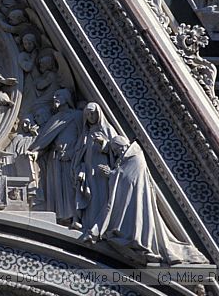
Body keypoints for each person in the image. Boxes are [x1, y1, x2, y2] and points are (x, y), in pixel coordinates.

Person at [101, 136, 204, 264]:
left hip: (137, 199)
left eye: (117, 150)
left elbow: (129, 177)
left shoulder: (135, 157)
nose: (117, 153)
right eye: (115, 151)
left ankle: (142, 245)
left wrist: (112, 174)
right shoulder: (126, 159)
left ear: (122, 146)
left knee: (139, 222)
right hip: (129, 201)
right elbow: (125, 175)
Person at [29, 88, 83, 225]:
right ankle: (60, 217)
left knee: (71, 188)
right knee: (57, 189)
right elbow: (44, 140)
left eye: (58, 95)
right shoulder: (54, 119)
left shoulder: (77, 116)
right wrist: (36, 151)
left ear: (66, 98)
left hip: (70, 158)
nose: (55, 98)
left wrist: (73, 152)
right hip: (55, 158)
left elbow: (83, 137)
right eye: (54, 95)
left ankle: (75, 217)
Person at [74, 103, 118, 241]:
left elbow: (119, 149)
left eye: (92, 113)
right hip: (89, 171)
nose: (90, 116)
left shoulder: (107, 129)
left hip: (101, 172)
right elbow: (79, 153)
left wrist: (104, 145)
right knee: (91, 197)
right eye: (87, 114)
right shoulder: (86, 133)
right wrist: (80, 169)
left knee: (102, 197)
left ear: (99, 114)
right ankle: (89, 225)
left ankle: (101, 227)